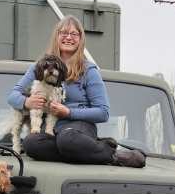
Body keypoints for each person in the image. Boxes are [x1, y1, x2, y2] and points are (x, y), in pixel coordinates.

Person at [7, 16, 145, 168]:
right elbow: (12, 96)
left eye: (74, 34)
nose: (68, 37)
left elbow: (103, 112)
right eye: (64, 33)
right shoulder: (41, 66)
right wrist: (27, 102)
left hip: (79, 129)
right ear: (56, 36)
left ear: (80, 39)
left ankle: (114, 155)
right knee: (31, 143)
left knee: (67, 139)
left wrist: (69, 113)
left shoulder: (89, 71)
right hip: (52, 131)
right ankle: (82, 153)